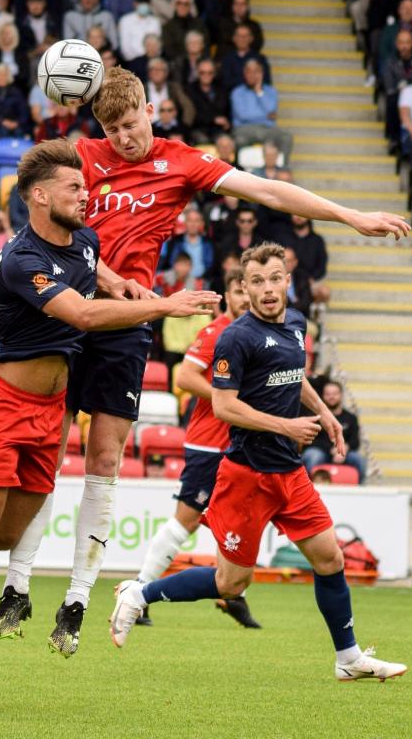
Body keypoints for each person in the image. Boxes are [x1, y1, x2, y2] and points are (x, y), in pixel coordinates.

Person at [0, 67, 410, 654]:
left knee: (104, 456)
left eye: (132, 124)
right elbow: (41, 222)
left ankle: (80, 597)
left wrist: (350, 217)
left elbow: (268, 189)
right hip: (70, 313)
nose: (124, 138)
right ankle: (17, 582)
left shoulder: (183, 162)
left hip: (127, 325)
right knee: (46, 450)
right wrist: (101, 276)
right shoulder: (81, 157)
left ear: (150, 109)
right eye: (112, 128)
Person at [0, 140, 218, 678]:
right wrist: (167, 303)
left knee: (6, 536)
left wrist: (123, 283)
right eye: (75, 188)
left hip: (47, 411)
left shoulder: (83, 239)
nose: (87, 195)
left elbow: (96, 271)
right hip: (1, 406)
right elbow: (81, 314)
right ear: (39, 196)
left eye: (86, 186)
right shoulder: (20, 259)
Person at [109, 243, 408, 682]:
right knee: (232, 584)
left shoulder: (296, 324)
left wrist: (324, 414)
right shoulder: (236, 337)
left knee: (330, 559)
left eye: (274, 278)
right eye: (257, 282)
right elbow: (226, 407)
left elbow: (293, 374)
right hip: (246, 476)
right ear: (243, 289)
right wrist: (286, 427)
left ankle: (348, 658)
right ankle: (140, 593)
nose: (267, 289)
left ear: (287, 280)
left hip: (289, 473)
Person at [133, 268, 260, 630]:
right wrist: (227, 399)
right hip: (208, 444)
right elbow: (185, 378)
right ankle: (139, 592)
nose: (246, 300)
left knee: (234, 522)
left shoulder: (253, 334)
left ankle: (233, 595)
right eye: (238, 292)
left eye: (248, 292)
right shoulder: (215, 333)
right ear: (227, 296)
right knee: (186, 520)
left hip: (236, 444)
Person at [300, 381, 367, 483]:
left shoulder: (351, 418)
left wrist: (344, 448)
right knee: (312, 455)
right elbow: (309, 441)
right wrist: (331, 449)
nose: (331, 397)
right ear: (322, 396)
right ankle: (307, 488)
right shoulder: (316, 417)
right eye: (328, 394)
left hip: (344, 453)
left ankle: (360, 491)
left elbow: (355, 442)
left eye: (335, 394)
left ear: (341, 395)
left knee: (359, 459)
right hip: (321, 452)